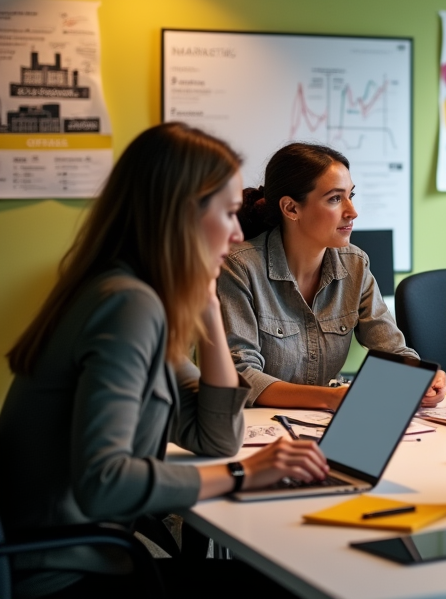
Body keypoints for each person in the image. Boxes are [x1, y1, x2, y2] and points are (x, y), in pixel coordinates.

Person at [0, 123, 330, 599]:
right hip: (64, 576)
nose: (238, 233)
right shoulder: (127, 305)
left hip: (80, 558)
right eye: (230, 213)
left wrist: (210, 309)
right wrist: (247, 473)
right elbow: (104, 483)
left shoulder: (125, 292)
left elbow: (216, 436)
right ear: (182, 214)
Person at [218, 142, 445, 409]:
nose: (352, 211)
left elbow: (391, 349)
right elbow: (241, 374)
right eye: (335, 199)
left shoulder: (355, 263)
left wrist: (420, 375)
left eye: (351, 195)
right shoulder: (239, 268)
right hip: (257, 428)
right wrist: (330, 398)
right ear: (291, 208)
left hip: (321, 423)